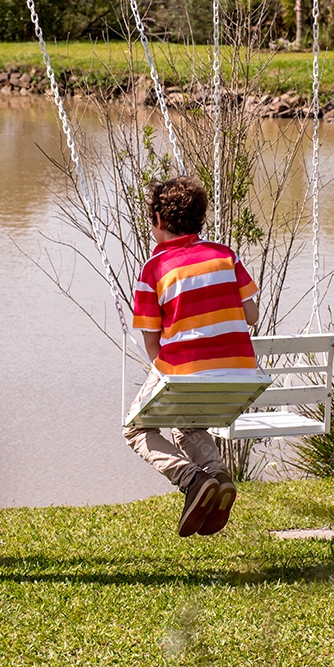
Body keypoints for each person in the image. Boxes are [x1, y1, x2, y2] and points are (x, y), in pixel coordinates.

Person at [124, 177, 260, 538]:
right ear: (200, 218)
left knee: (135, 428)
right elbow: (252, 315)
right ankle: (216, 475)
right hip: (239, 378)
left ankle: (192, 479)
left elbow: (152, 343)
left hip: (186, 372)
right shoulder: (225, 255)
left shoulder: (154, 270)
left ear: (157, 219)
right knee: (188, 424)